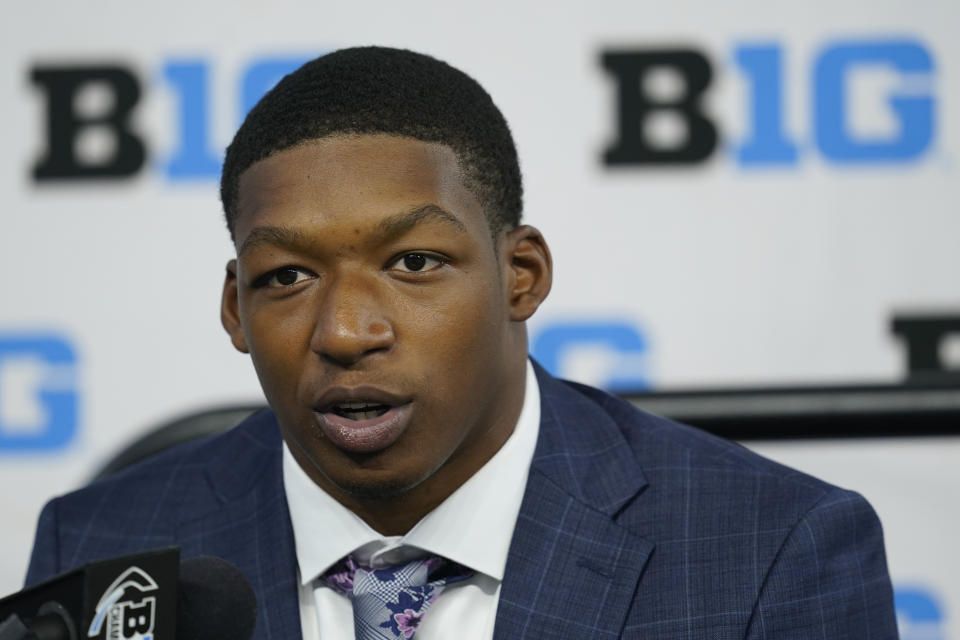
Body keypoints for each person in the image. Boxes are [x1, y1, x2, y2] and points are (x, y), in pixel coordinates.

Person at [25, 46, 899, 639]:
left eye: (413, 262)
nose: (346, 332)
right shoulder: (107, 542)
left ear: (520, 276)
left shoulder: (772, 551)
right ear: (233, 309)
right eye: (287, 278)